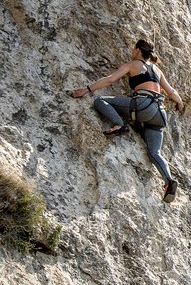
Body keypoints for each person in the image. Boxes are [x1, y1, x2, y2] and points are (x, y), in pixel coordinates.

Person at [70, 39, 184, 203]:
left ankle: (120, 124)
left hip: (143, 105)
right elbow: (171, 92)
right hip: (160, 113)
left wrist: (86, 90)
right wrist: (179, 102)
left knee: (101, 101)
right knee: (154, 153)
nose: (132, 51)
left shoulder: (132, 65)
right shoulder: (157, 70)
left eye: (133, 49)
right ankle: (169, 181)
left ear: (137, 50)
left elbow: (110, 79)